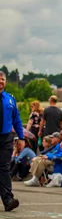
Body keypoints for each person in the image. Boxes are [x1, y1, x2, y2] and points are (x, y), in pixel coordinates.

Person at [1, 70, 24, 211]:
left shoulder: (10, 99)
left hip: (5, 138)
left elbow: (17, 119)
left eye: (2, 79)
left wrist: (21, 137)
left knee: (4, 168)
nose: (1, 81)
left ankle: (8, 200)